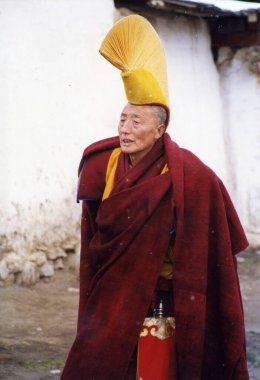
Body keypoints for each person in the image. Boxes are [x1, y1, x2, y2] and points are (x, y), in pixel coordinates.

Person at [61, 15, 249, 380]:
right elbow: (95, 240)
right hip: (113, 300)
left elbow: (213, 246)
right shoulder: (104, 166)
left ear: (160, 129)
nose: (125, 129)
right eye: (122, 119)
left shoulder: (191, 176)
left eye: (136, 121)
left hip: (167, 301)